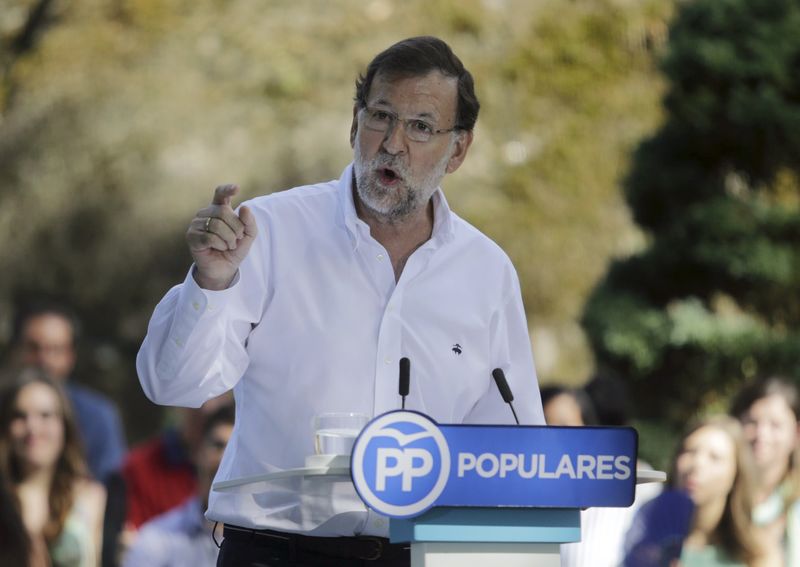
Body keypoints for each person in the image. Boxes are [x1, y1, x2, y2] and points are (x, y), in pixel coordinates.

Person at [137, 35, 545, 566]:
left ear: (458, 150)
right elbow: (172, 384)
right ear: (355, 125)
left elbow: (514, 449)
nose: (393, 143)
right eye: (380, 117)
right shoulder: (268, 233)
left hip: (421, 554)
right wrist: (210, 282)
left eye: (421, 127)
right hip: (275, 552)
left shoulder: (486, 272)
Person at [625, 415, 775, 567]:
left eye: (714, 457)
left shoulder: (758, 552)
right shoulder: (644, 532)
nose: (697, 464)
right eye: (689, 451)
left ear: (736, 474)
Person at [9, 300, 127, 484]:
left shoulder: (98, 417)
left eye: (55, 349)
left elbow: (110, 487)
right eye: (34, 348)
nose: (43, 359)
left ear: (71, 356)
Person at [0, 367, 106, 566]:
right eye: (20, 416)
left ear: (64, 425)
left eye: (45, 415)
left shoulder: (91, 497)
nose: (33, 427)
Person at [121, 404, 235, 567]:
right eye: (218, 445)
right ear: (197, 453)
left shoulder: (269, 543)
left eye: (233, 450)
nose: (224, 460)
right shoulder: (156, 540)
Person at [730, 376, 800, 566]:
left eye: (775, 425)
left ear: (796, 433)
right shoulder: (720, 497)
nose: (762, 434)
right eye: (752, 422)